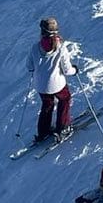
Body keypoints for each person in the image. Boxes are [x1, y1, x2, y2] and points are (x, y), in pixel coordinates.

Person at [26, 16, 78, 144]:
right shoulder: (60, 48)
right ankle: (63, 127)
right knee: (64, 99)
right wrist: (75, 70)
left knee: (47, 104)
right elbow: (66, 70)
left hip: (41, 86)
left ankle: (43, 132)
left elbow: (29, 67)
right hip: (57, 84)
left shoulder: (35, 47)